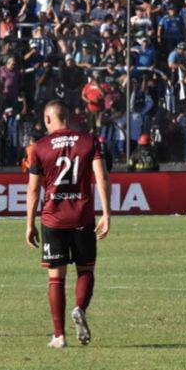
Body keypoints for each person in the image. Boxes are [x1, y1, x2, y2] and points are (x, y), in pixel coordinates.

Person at [25, 100, 112, 349]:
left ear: (48, 119)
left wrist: (29, 223)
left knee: (56, 278)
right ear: (69, 117)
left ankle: (59, 336)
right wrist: (106, 213)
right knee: (85, 271)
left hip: (53, 218)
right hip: (82, 217)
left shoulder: (39, 147)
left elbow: (33, 189)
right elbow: (101, 176)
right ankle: (79, 308)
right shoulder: (88, 141)